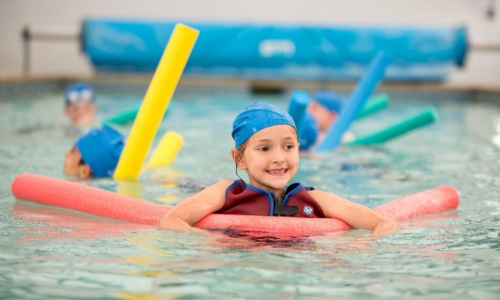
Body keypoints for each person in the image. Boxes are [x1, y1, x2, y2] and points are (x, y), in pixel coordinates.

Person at [158, 102, 400, 236]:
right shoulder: (226, 194)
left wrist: (359, 248)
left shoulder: (315, 200)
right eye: (264, 149)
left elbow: (385, 224)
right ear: (239, 158)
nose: (279, 158)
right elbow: (172, 220)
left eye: (288, 147)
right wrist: (213, 243)